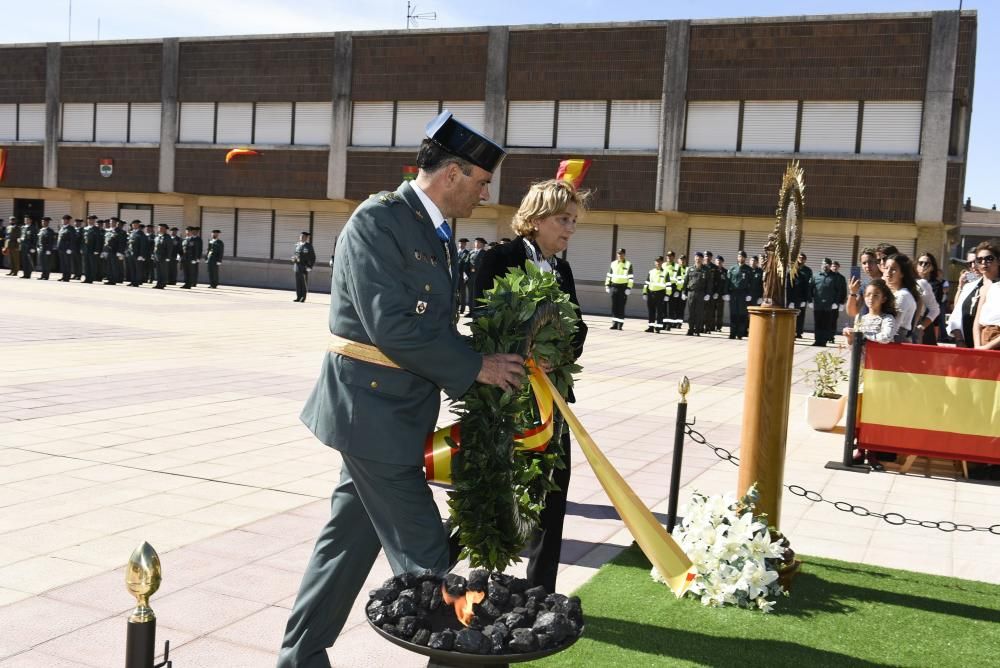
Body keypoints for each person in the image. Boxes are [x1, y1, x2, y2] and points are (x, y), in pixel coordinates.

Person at [279, 111, 521, 668]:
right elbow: (392, 327)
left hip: (394, 413)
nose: (485, 195)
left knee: (345, 547)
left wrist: (486, 352)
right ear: (454, 174)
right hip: (369, 412)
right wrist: (476, 366)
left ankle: (299, 659)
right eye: (482, 183)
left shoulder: (430, 230)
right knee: (431, 561)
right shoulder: (380, 221)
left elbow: (429, 328)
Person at [459, 178, 589, 593]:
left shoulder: (562, 268)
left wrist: (562, 352)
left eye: (573, 220)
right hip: (506, 399)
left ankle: (541, 594)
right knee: (490, 492)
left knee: (551, 496)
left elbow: (580, 327)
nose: (570, 228)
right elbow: (482, 321)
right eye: (563, 219)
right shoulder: (499, 258)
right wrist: (527, 349)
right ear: (534, 219)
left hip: (553, 401)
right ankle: (439, 578)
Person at [883, 254, 921, 342]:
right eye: (886, 268)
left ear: (902, 273)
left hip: (896, 342)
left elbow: (893, 327)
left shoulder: (902, 296)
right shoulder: (893, 293)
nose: (888, 272)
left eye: (893, 269)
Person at [971, 241, 1000, 350]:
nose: (984, 262)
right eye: (979, 260)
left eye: (989, 259)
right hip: (984, 338)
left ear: (998, 261)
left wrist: (987, 347)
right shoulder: (984, 287)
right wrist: (978, 347)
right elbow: (977, 323)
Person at [916, 252, 946, 345]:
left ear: (932, 267)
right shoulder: (911, 281)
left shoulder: (936, 285)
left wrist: (922, 326)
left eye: (926, 263)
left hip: (927, 323)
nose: (923, 265)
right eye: (920, 263)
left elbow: (934, 309)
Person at [810, 258, 841, 347]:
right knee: (818, 322)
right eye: (823, 264)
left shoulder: (835, 277)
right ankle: (817, 340)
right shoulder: (816, 276)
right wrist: (810, 300)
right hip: (818, 304)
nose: (825, 266)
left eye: (827, 264)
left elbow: (838, 291)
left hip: (829, 305)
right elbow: (810, 288)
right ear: (821, 265)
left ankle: (823, 341)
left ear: (830, 266)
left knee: (826, 323)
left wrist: (836, 302)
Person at [684, 251, 712, 336]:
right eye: (696, 258)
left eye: (699, 258)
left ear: (702, 259)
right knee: (691, 312)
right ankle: (691, 329)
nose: (698, 259)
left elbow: (709, 283)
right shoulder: (690, 269)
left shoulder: (706, 270)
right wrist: (684, 292)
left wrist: (708, 294)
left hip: (701, 293)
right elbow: (686, 281)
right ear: (694, 258)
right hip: (691, 293)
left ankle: (697, 329)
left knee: (699, 312)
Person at [605, 248, 633, 330]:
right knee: (614, 306)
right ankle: (614, 323)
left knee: (621, 306)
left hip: (623, 288)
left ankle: (620, 324)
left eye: (621, 254)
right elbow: (609, 275)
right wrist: (607, 285)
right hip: (614, 286)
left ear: (624, 254)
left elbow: (631, 278)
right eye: (619, 254)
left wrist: (629, 288)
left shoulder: (628, 264)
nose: (620, 255)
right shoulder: (613, 263)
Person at [727, 250, 753, 339]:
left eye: (742, 257)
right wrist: (726, 293)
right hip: (733, 293)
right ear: (737, 258)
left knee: (742, 314)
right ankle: (732, 333)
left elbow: (751, 283)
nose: (740, 258)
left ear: (745, 258)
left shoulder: (748, 269)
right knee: (733, 313)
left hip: (743, 294)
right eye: (739, 256)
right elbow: (728, 281)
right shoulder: (732, 268)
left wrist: (749, 294)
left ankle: (740, 333)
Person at [643, 256, 669, 333]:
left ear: (662, 262)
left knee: (659, 311)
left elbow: (668, 285)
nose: (658, 263)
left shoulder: (665, 272)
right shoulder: (651, 272)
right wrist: (644, 293)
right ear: (655, 262)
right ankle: (651, 327)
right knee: (651, 311)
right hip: (651, 293)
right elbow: (646, 283)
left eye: (659, 261)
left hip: (660, 294)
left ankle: (658, 328)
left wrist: (667, 295)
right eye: (656, 261)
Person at [789, 252, 813, 338]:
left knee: (800, 316)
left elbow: (809, 286)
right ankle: (791, 331)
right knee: (791, 315)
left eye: (803, 258)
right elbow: (789, 284)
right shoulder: (792, 268)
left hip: (802, 297)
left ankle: (798, 332)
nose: (801, 259)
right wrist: (790, 300)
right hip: (792, 297)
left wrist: (806, 299)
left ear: (805, 260)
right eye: (799, 257)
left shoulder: (808, 271)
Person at [292, 231, 316, 302]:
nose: (301, 237)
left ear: (306, 238)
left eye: (303, 236)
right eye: (300, 236)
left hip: (304, 267)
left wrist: (310, 266)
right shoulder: (297, 245)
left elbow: (313, 257)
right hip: (297, 266)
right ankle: (298, 297)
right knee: (298, 283)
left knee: (303, 283)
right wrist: (293, 258)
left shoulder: (308, 246)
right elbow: (295, 254)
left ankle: (303, 297)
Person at [668, 253, 687, 329]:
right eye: (680, 259)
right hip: (676, 290)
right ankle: (673, 322)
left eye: (683, 260)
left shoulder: (688, 269)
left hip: (683, 291)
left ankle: (679, 323)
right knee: (674, 307)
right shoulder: (675, 268)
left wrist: (685, 291)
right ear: (678, 260)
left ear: (685, 261)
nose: (682, 261)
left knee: (681, 308)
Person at [152, 223, 173, 290]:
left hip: (164, 257)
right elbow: (155, 247)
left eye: (161, 228)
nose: (160, 229)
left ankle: (163, 284)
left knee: (163, 271)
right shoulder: (157, 237)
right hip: (157, 257)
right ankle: (158, 283)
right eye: (159, 228)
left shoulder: (167, 237)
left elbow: (169, 248)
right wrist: (153, 255)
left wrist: (168, 257)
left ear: (165, 229)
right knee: (158, 271)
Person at [56, 215, 76, 281]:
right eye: (63, 219)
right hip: (61, 249)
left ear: (68, 221)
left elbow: (72, 240)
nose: (63, 221)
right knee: (63, 264)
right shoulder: (62, 228)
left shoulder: (71, 229)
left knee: (67, 263)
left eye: (64, 219)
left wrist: (70, 248)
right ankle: (64, 276)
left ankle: (67, 277)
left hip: (67, 249)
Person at [126, 221, 145, 287]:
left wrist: (141, 255)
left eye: (136, 224)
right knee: (132, 268)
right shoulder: (131, 233)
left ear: (138, 225)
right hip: (131, 253)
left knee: (138, 269)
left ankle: (137, 282)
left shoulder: (141, 233)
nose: (134, 226)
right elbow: (129, 243)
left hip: (137, 254)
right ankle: (133, 281)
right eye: (133, 225)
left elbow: (143, 245)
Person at [712, 254, 728, 332]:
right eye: (717, 261)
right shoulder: (712, 270)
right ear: (715, 262)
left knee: (719, 311)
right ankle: (711, 326)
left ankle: (718, 327)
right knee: (711, 311)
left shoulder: (725, 271)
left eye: (720, 261)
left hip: (721, 295)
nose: (719, 262)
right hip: (712, 294)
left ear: (722, 262)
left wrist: (725, 294)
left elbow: (726, 283)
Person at [456, 237, 470, 313]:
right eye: (460, 243)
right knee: (455, 293)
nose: (461, 245)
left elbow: (466, 264)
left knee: (462, 293)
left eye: (463, 243)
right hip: (455, 276)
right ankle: (456, 307)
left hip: (462, 276)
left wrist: (465, 275)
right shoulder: (456, 252)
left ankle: (462, 309)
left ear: (465, 244)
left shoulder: (467, 253)